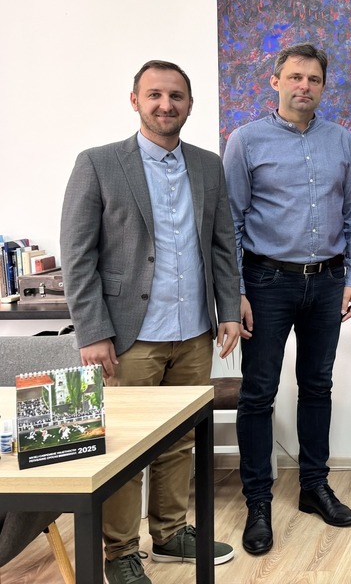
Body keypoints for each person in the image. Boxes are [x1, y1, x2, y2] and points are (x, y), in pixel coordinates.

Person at [60, 60, 241, 584]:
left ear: (190, 104)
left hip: (194, 332)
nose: (166, 105)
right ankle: (119, 552)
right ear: (135, 100)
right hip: (127, 336)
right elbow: (77, 255)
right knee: (121, 447)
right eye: (155, 94)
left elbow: (222, 245)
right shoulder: (98, 163)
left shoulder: (207, 165)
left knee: (180, 440)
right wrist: (92, 331)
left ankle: (170, 532)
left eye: (176, 96)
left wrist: (228, 309)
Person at [222, 43, 351, 555]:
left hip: (327, 282)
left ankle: (313, 486)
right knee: (258, 393)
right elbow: (230, 222)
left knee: (317, 386)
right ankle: (258, 502)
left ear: (323, 86)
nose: (304, 86)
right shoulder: (245, 141)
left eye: (314, 79)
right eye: (295, 77)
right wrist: (237, 292)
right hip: (265, 283)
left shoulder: (340, 140)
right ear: (275, 81)